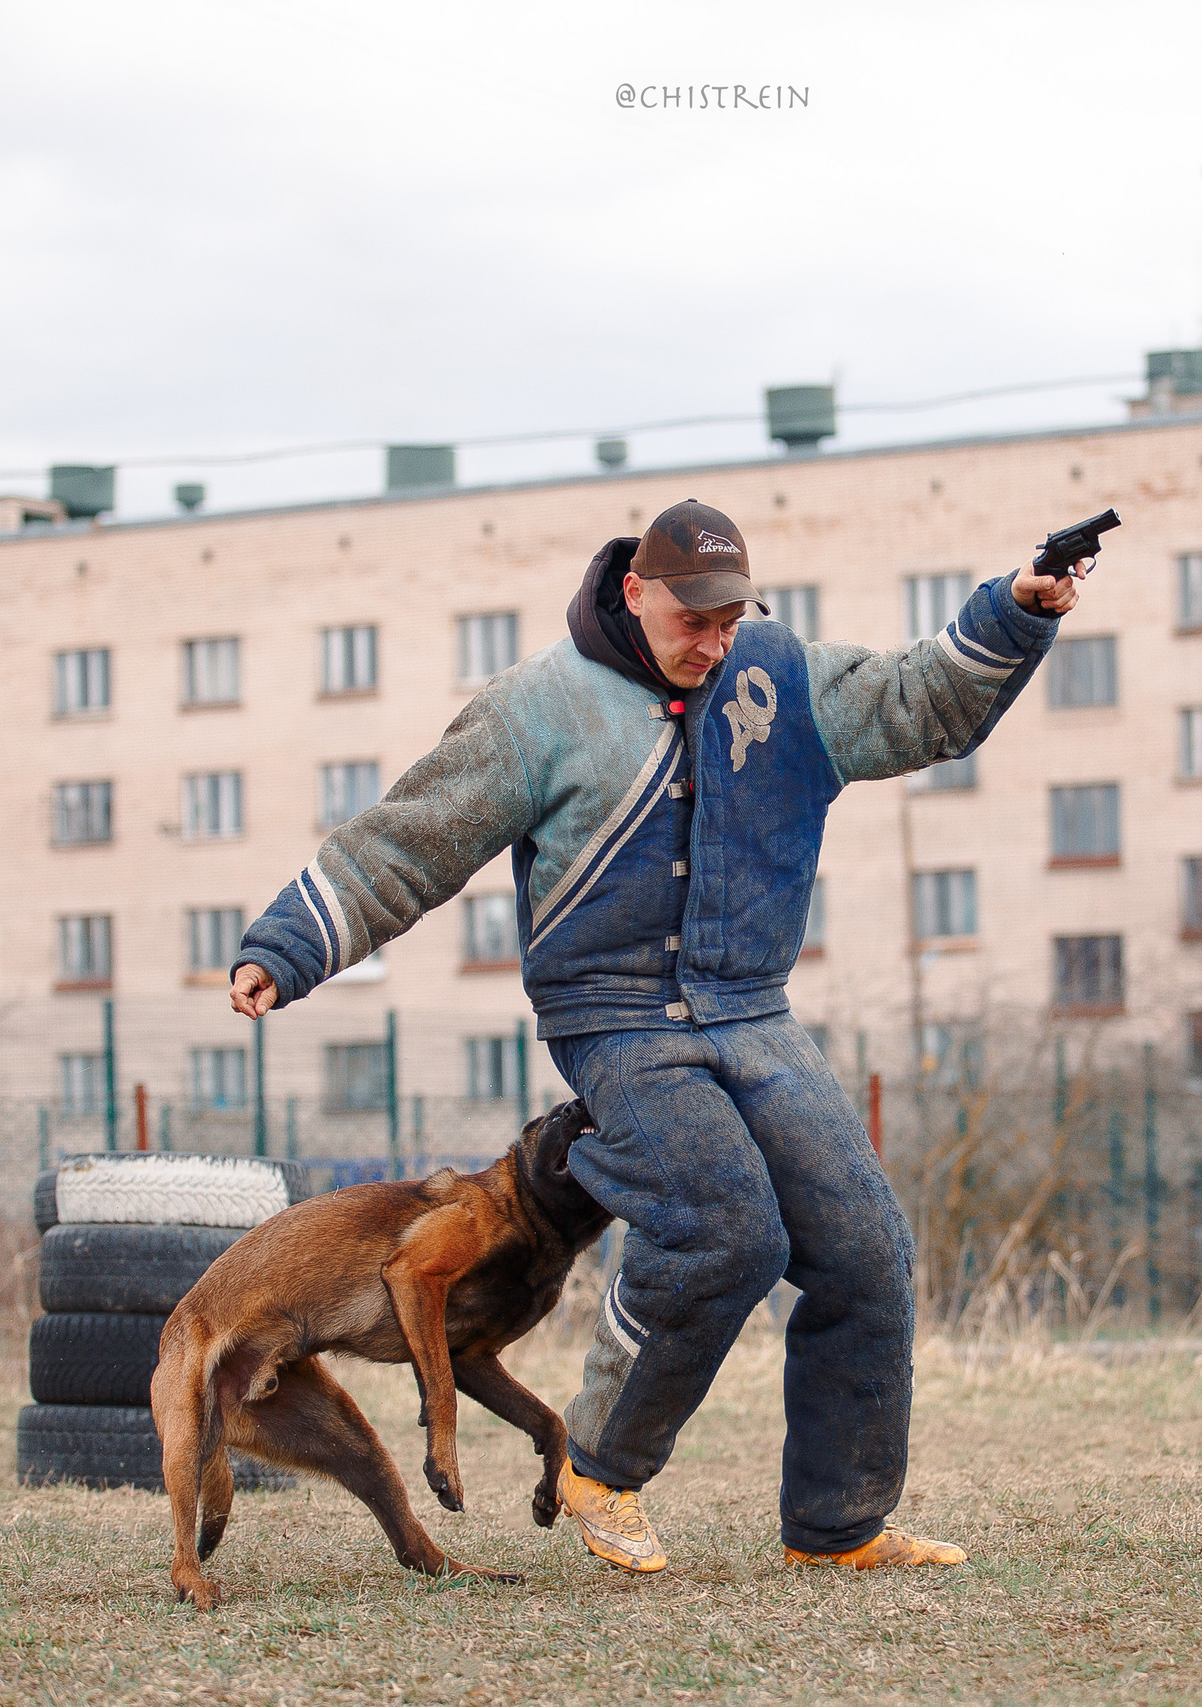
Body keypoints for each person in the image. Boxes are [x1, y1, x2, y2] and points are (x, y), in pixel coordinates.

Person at [230, 498, 1083, 1572]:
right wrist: (285, 948)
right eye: (695, 622)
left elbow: (916, 705)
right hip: (614, 1020)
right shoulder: (538, 709)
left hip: (750, 1008)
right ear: (636, 592)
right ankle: (599, 1466)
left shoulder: (777, 674)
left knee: (867, 1252)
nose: (716, 643)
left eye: (732, 621)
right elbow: (410, 841)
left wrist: (1014, 613)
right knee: (725, 1230)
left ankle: (836, 1529)